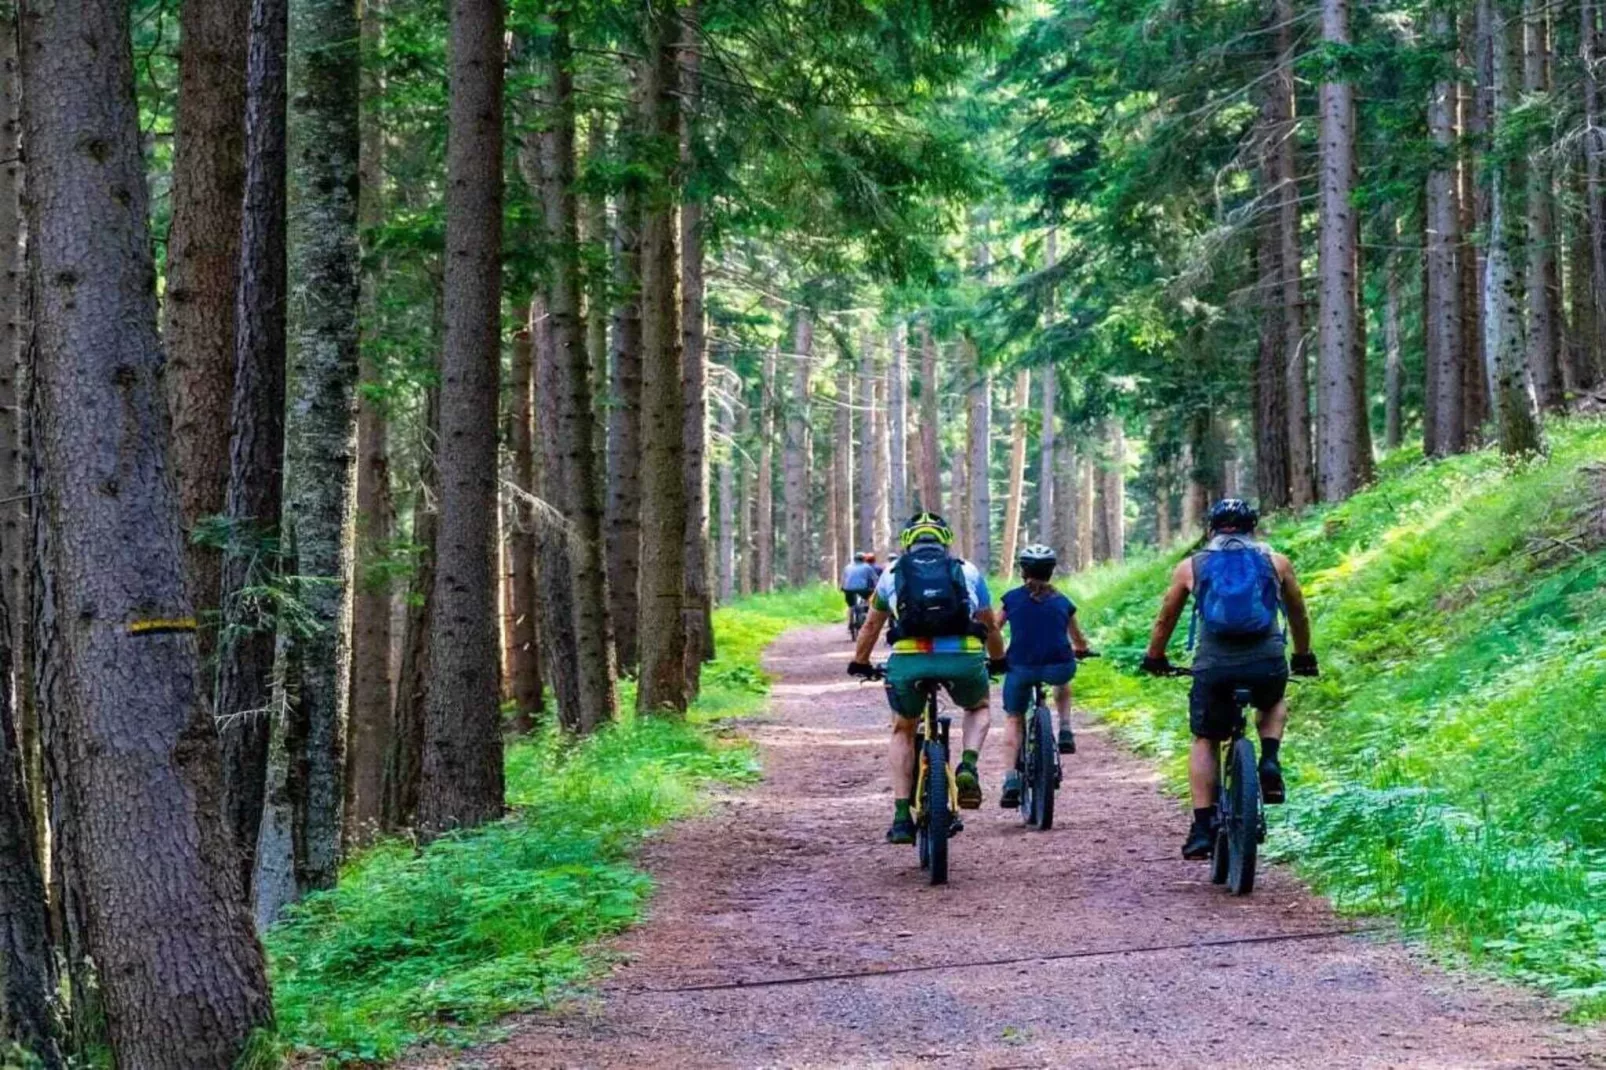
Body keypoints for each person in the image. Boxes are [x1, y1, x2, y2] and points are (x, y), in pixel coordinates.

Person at [1140, 498, 1318, 860]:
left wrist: (1155, 657)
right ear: (1254, 527)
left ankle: (1203, 827)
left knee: (1205, 737)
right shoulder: (1276, 562)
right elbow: (1298, 613)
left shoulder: (1191, 566)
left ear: (1211, 528)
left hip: (1215, 667)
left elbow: (1165, 620)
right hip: (1266, 661)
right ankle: (1269, 759)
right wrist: (1302, 655)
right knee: (1272, 700)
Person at [847, 512, 1007, 844]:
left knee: (903, 727)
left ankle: (903, 816)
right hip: (962, 658)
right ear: (945, 541)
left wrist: (859, 662)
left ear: (907, 543)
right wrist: (998, 659)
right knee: (977, 706)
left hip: (910, 660)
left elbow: (871, 626)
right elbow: (989, 625)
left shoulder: (891, 573)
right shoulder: (967, 571)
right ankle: (968, 766)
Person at [995, 544, 1093, 808]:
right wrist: (1083, 649)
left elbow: (993, 629)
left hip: (1020, 668)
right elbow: (1077, 637)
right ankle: (1065, 728)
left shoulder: (1011, 599)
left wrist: (993, 656)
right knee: (1063, 678)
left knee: (1014, 718)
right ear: (1051, 571)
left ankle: (1011, 779)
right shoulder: (1063, 602)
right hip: (1058, 666)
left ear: (1022, 570)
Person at [839, 551, 878, 632]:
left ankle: (850, 622)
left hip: (848, 589)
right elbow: (874, 579)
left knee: (851, 605)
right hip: (863, 589)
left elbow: (843, 579)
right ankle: (866, 616)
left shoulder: (848, 567)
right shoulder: (867, 567)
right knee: (868, 599)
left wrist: (842, 587)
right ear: (864, 559)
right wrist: (876, 587)